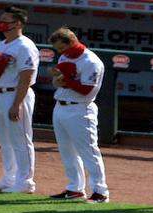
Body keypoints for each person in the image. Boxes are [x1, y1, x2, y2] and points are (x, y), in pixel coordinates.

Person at [46, 27, 110, 203]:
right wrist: (58, 79)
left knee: (89, 151)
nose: (60, 52)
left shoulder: (91, 61)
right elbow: (59, 81)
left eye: (61, 48)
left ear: (72, 42)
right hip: (61, 106)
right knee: (67, 151)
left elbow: (87, 90)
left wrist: (66, 81)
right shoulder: (65, 56)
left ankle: (100, 192)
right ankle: (75, 188)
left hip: (81, 109)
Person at [0, 6, 40, 194]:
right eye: (2, 19)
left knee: (21, 140)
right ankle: (9, 178)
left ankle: (25, 182)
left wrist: (17, 104)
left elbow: (27, 76)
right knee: (4, 140)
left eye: (7, 20)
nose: (2, 23)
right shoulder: (0, 45)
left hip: (16, 94)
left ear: (18, 23)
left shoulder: (25, 45)